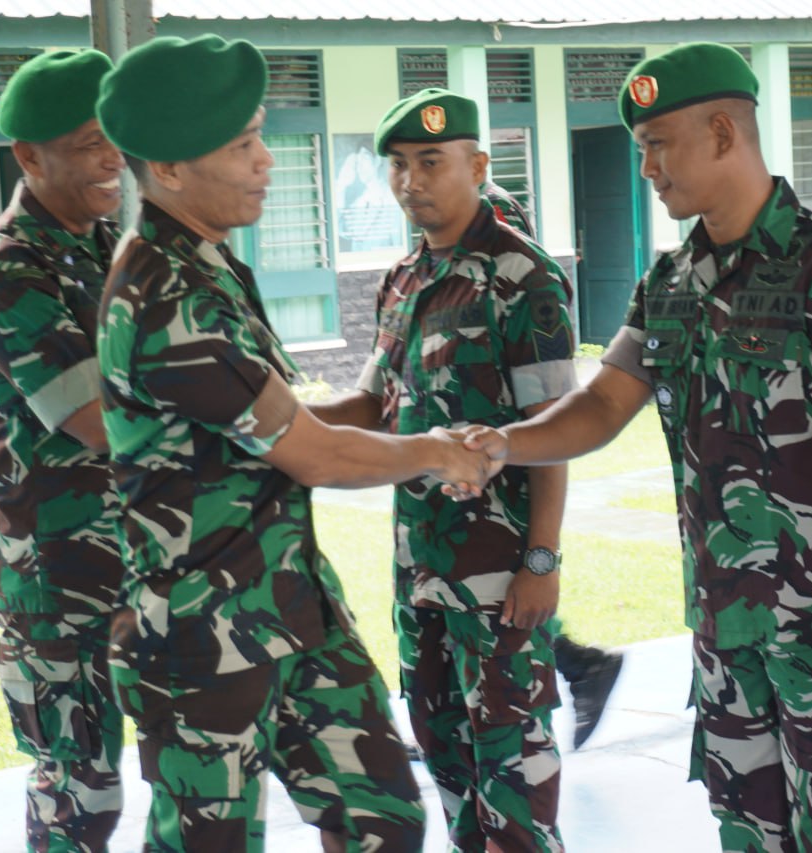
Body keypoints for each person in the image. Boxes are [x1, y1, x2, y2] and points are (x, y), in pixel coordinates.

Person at [462, 43, 812, 851]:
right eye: (641, 149)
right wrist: (502, 442)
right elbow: (602, 404)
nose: (647, 168)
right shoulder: (668, 283)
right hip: (724, 622)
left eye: (658, 144)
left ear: (722, 132)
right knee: (747, 827)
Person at [94, 37, 489, 852]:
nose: (266, 160)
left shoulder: (206, 265)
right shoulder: (167, 295)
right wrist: (437, 449)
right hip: (205, 639)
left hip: (288, 610)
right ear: (167, 169)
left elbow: (280, 422)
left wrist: (383, 411)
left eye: (259, 136)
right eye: (242, 145)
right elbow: (311, 452)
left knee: (382, 818)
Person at [311, 88, 572, 851]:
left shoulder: (522, 276)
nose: (411, 181)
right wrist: (274, 425)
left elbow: (553, 432)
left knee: (514, 786)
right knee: (449, 764)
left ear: (477, 165)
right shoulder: (403, 278)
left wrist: (541, 559)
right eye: (398, 164)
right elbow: (371, 402)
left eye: (431, 161)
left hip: (499, 579)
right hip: (421, 571)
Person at [0, 49, 126, 852]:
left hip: (139, 559)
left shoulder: (105, 244)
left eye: (117, 139)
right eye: (91, 143)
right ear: (29, 155)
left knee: (196, 766)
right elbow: (96, 421)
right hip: (59, 577)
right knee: (79, 792)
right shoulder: (7, 268)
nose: (113, 159)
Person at [483, 180, 627, 751]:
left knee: (508, 608)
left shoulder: (497, 224)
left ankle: (578, 665)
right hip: (456, 494)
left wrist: (543, 556)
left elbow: (556, 416)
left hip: (507, 475)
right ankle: (580, 664)